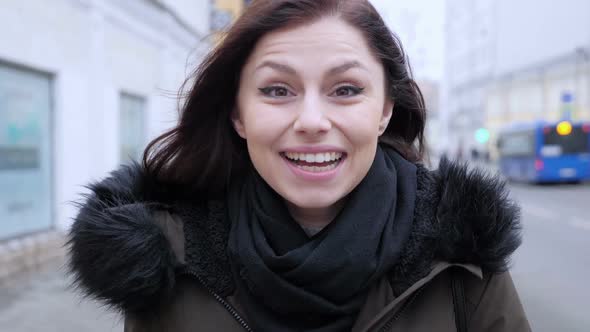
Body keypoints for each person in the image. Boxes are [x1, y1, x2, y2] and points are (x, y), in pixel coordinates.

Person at [67, 1, 530, 331]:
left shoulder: (461, 256)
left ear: (385, 110)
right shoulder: (168, 258)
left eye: (346, 89)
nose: (311, 121)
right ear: (238, 114)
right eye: (276, 90)